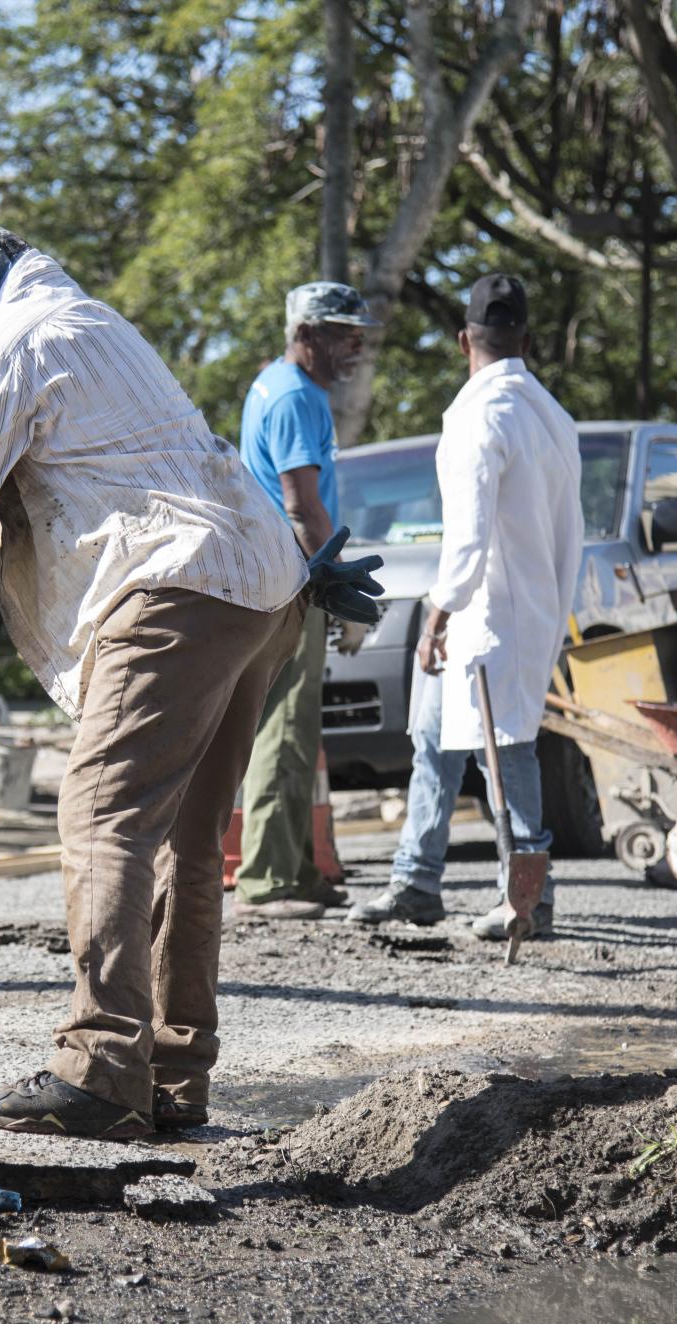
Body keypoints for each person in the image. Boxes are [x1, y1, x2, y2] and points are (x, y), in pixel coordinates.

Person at [0, 204, 375, 1141]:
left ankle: (98, 1067)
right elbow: (19, 501)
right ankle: (170, 1076)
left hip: (176, 581)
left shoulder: (5, 343)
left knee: (100, 812)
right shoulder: (84, 323)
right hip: (257, 585)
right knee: (182, 840)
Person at [347, 275, 582, 940]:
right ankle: (417, 880)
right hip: (524, 608)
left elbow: (469, 533)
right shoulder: (550, 417)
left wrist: (439, 615)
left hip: (484, 613)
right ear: (527, 340)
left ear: (461, 342)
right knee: (432, 740)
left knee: (506, 754)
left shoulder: (480, 417)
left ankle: (530, 898)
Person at [230, 281, 376, 920]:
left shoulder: (283, 386)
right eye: (347, 334)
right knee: (285, 728)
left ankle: (296, 869)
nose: (357, 347)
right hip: (293, 577)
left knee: (296, 727)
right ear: (308, 333)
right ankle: (266, 878)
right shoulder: (293, 396)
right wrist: (338, 580)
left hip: (287, 575)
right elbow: (300, 503)